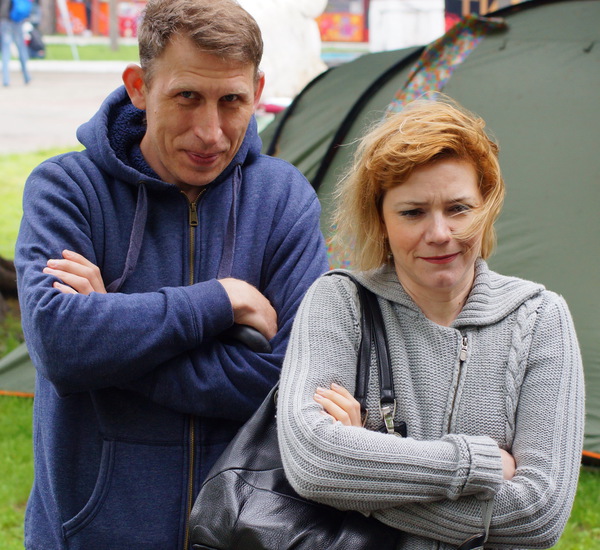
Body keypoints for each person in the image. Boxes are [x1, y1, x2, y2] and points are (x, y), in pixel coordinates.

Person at [15, 0, 328, 548]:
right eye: (187, 97)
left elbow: (291, 381)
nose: (210, 132)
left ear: (257, 91)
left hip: (241, 534)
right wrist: (221, 300)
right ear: (139, 87)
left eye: (231, 101)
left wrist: (113, 341)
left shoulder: (283, 201)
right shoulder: (67, 189)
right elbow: (60, 344)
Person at [277, 97, 585, 549]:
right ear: (380, 220)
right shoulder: (340, 301)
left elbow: (538, 515)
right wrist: (479, 464)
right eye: (413, 212)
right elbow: (314, 462)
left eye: (458, 208)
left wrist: (362, 470)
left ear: (486, 208)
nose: (440, 234)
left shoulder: (540, 318)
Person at [1, 0, 32, 86]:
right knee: (21, 49)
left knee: (6, 51)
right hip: (18, 22)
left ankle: (6, 79)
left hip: (5, 22)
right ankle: (26, 76)